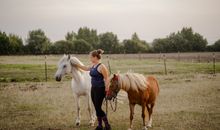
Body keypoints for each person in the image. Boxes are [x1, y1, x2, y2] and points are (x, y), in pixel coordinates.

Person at [75, 49, 111, 130]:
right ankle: (100, 126)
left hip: (100, 89)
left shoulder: (102, 66)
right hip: (93, 89)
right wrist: (76, 65)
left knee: (98, 108)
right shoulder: (93, 65)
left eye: (91, 57)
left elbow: (107, 78)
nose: (90, 58)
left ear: (95, 57)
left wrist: (106, 89)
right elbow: (85, 68)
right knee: (96, 107)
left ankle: (107, 125)